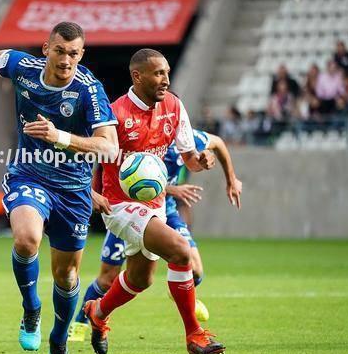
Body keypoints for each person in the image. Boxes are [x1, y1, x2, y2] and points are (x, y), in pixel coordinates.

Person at [0, 22, 118, 354]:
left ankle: (59, 339)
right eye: (59, 51)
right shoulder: (25, 68)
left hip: (74, 190)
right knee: (26, 239)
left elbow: (109, 148)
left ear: (82, 54)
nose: (66, 60)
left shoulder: (89, 90)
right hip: (28, 174)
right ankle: (31, 307)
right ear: (46, 49)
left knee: (67, 275)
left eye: (73, 54)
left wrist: (60, 137)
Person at [80, 49, 230, 354]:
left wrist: (202, 159)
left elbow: (190, 156)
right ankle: (194, 335)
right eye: (158, 73)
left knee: (140, 279)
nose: (166, 80)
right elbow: (86, 156)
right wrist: (89, 193)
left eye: (167, 73)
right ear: (137, 76)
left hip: (155, 204)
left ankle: (98, 312)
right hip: (119, 206)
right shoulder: (114, 114)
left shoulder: (174, 105)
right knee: (180, 250)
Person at [69, 129, 242, 341]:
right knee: (107, 279)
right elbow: (112, 170)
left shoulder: (187, 139)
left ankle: (178, 291)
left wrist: (231, 178)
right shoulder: (139, 137)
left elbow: (218, 143)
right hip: (129, 211)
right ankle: (79, 324)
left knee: (195, 270)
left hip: (165, 211)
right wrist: (171, 189)